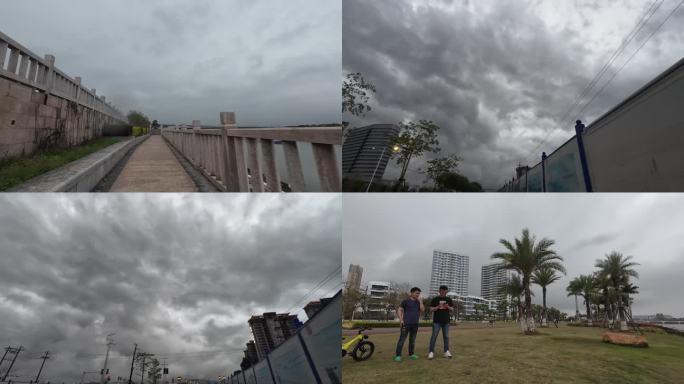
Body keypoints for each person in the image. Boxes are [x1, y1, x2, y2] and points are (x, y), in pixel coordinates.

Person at [394, 287, 424, 362]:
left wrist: (420, 301)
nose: (418, 295)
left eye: (419, 293)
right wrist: (401, 320)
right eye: (417, 293)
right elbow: (399, 310)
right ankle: (398, 355)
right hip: (406, 324)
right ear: (412, 293)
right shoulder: (406, 301)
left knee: (412, 340)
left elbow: (422, 310)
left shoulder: (418, 302)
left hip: (415, 324)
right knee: (402, 339)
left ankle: (411, 354)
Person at [428, 285, 453, 359]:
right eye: (442, 292)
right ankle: (431, 352)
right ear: (439, 291)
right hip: (437, 321)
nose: (443, 293)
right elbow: (431, 309)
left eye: (445, 292)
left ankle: (446, 351)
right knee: (434, 336)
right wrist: (438, 307)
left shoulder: (449, 299)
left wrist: (447, 307)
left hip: (446, 321)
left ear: (446, 292)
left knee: (446, 337)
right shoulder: (435, 299)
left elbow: (452, 309)